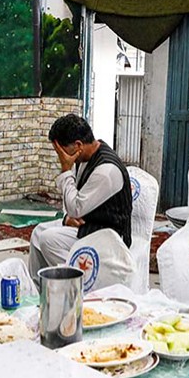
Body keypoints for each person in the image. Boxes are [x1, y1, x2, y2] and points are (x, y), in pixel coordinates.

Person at [29, 114, 132, 276]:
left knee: (48, 239)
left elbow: (75, 208)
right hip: (88, 225)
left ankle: (79, 283)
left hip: (108, 235)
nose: (61, 157)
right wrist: (67, 219)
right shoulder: (84, 158)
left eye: (62, 152)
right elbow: (71, 202)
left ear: (78, 145)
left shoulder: (106, 170)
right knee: (38, 233)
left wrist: (65, 170)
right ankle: (42, 290)